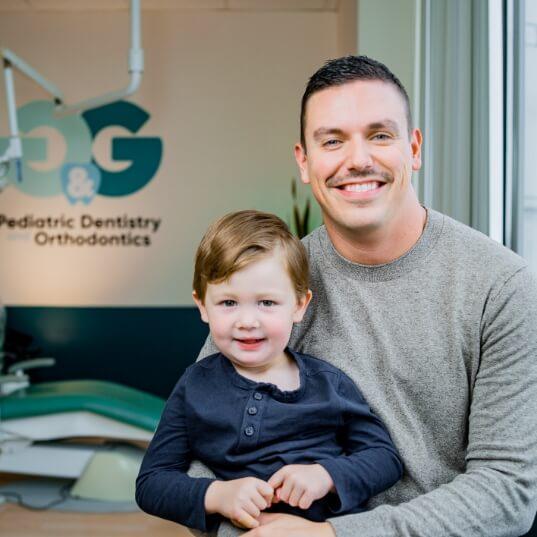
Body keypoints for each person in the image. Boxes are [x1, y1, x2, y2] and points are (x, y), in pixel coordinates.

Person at [194, 56, 537, 537]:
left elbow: (507, 490)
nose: (357, 159)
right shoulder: (270, 286)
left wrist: (332, 536)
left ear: (413, 148)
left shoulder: (500, 287)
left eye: (380, 135)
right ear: (304, 161)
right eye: (332, 141)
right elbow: (197, 451)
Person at [135, 210, 403, 533]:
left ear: (299, 305)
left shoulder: (329, 385)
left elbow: (385, 458)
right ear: (203, 305)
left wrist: (326, 475)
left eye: (267, 303)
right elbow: (151, 482)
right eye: (228, 303)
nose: (247, 321)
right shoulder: (195, 387)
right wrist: (217, 495)